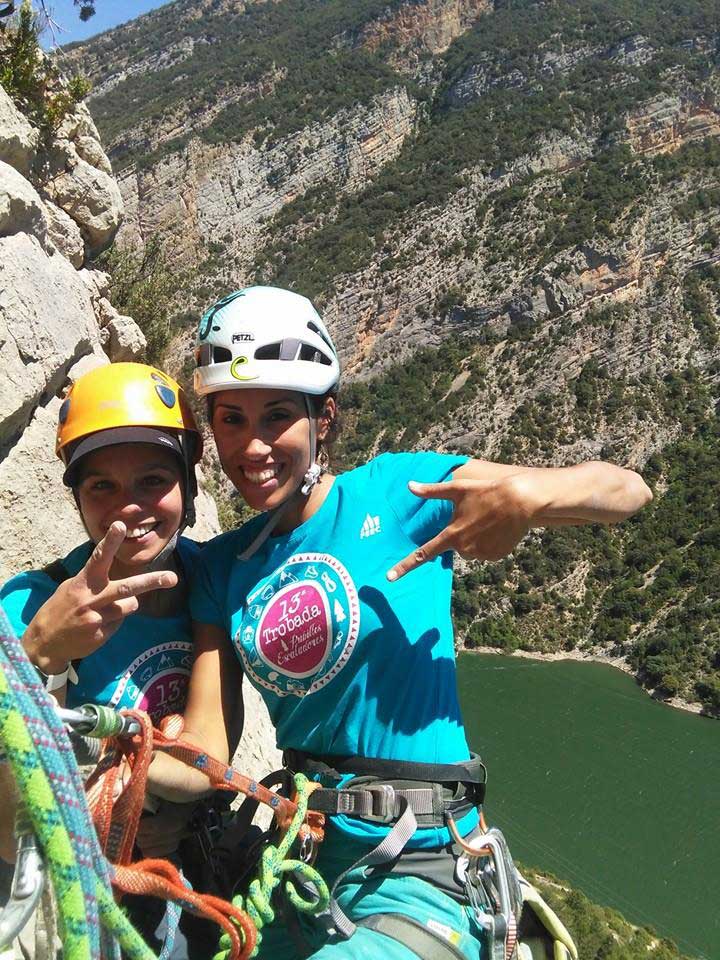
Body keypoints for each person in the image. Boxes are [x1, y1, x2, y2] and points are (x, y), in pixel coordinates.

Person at [146, 285, 653, 959]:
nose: (254, 445)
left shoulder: (396, 492)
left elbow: (626, 490)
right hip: (306, 866)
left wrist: (528, 496)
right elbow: (207, 745)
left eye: (278, 416)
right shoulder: (223, 568)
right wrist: (112, 753)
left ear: (323, 419)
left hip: (426, 866)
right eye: (232, 419)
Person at [0, 361, 220, 958]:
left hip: (178, 876)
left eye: (153, 480)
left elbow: (210, 757)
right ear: (76, 497)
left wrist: (135, 777)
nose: (130, 508)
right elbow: (10, 829)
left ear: (189, 483)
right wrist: (41, 656)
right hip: (72, 895)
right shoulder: (30, 607)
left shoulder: (209, 580)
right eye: (102, 487)